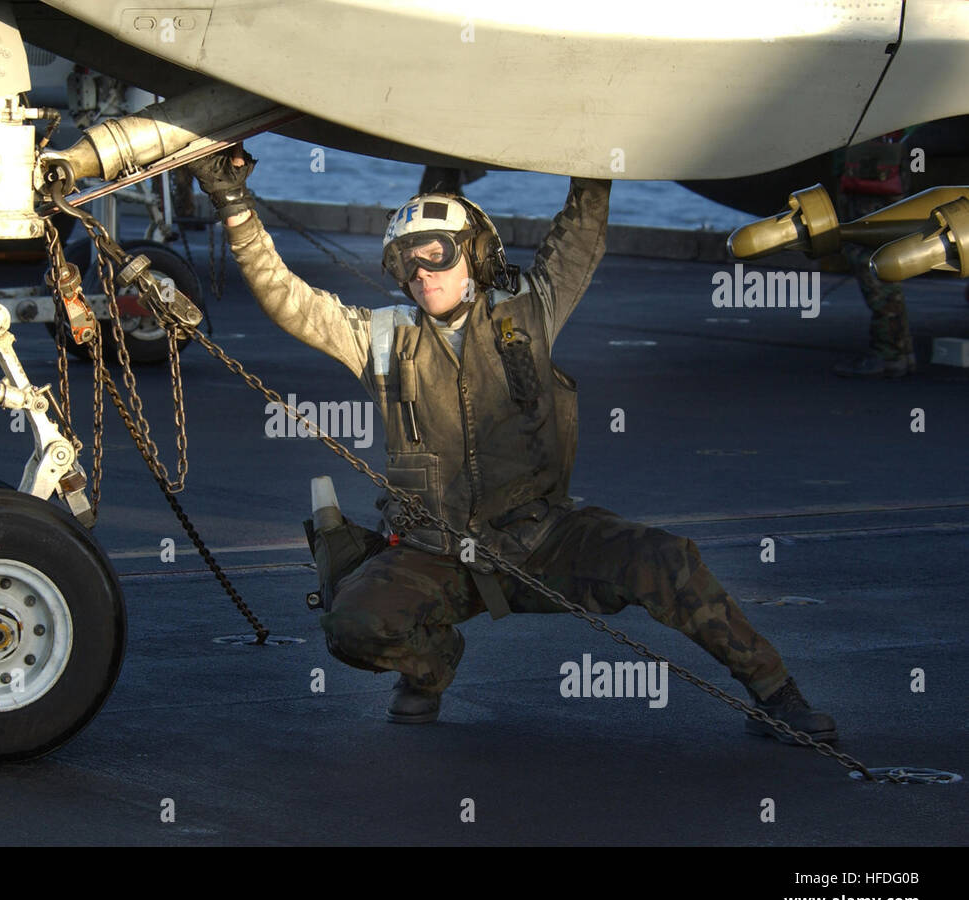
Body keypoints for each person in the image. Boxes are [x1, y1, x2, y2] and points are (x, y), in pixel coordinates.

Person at [190, 145, 836, 743]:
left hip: (541, 539)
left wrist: (594, 153)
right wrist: (235, 206)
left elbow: (580, 236)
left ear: (471, 253)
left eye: (436, 252)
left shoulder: (531, 308)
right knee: (352, 625)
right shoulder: (384, 338)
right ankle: (430, 666)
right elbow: (288, 300)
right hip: (433, 552)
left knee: (667, 562)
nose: (421, 272)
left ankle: (777, 695)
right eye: (406, 261)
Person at [831, 131, 917, 378]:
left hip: (869, 175)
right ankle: (900, 349)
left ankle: (889, 353)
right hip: (877, 169)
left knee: (869, 259)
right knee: (876, 256)